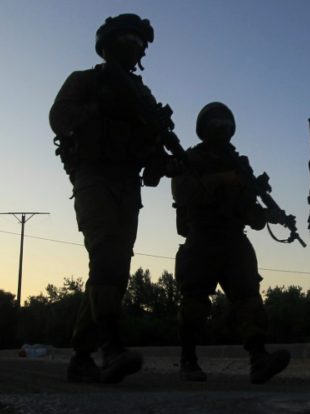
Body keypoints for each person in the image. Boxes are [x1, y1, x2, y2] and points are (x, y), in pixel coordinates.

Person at [49, 13, 180, 383]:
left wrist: (164, 163)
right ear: (107, 43)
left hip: (127, 183)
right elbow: (59, 118)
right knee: (106, 257)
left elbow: (153, 144)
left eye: (139, 42)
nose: (133, 46)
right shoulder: (85, 81)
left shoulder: (142, 94)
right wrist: (101, 105)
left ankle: (80, 357)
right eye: (126, 39)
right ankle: (111, 348)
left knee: (114, 271)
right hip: (93, 176)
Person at [171, 102, 291, 384]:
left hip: (234, 238)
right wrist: (226, 179)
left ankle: (259, 358)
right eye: (215, 123)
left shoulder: (240, 163)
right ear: (204, 128)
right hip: (202, 236)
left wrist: (269, 214)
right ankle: (188, 360)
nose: (221, 128)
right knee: (194, 302)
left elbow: (252, 214)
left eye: (225, 123)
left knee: (249, 298)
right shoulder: (191, 159)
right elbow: (183, 191)